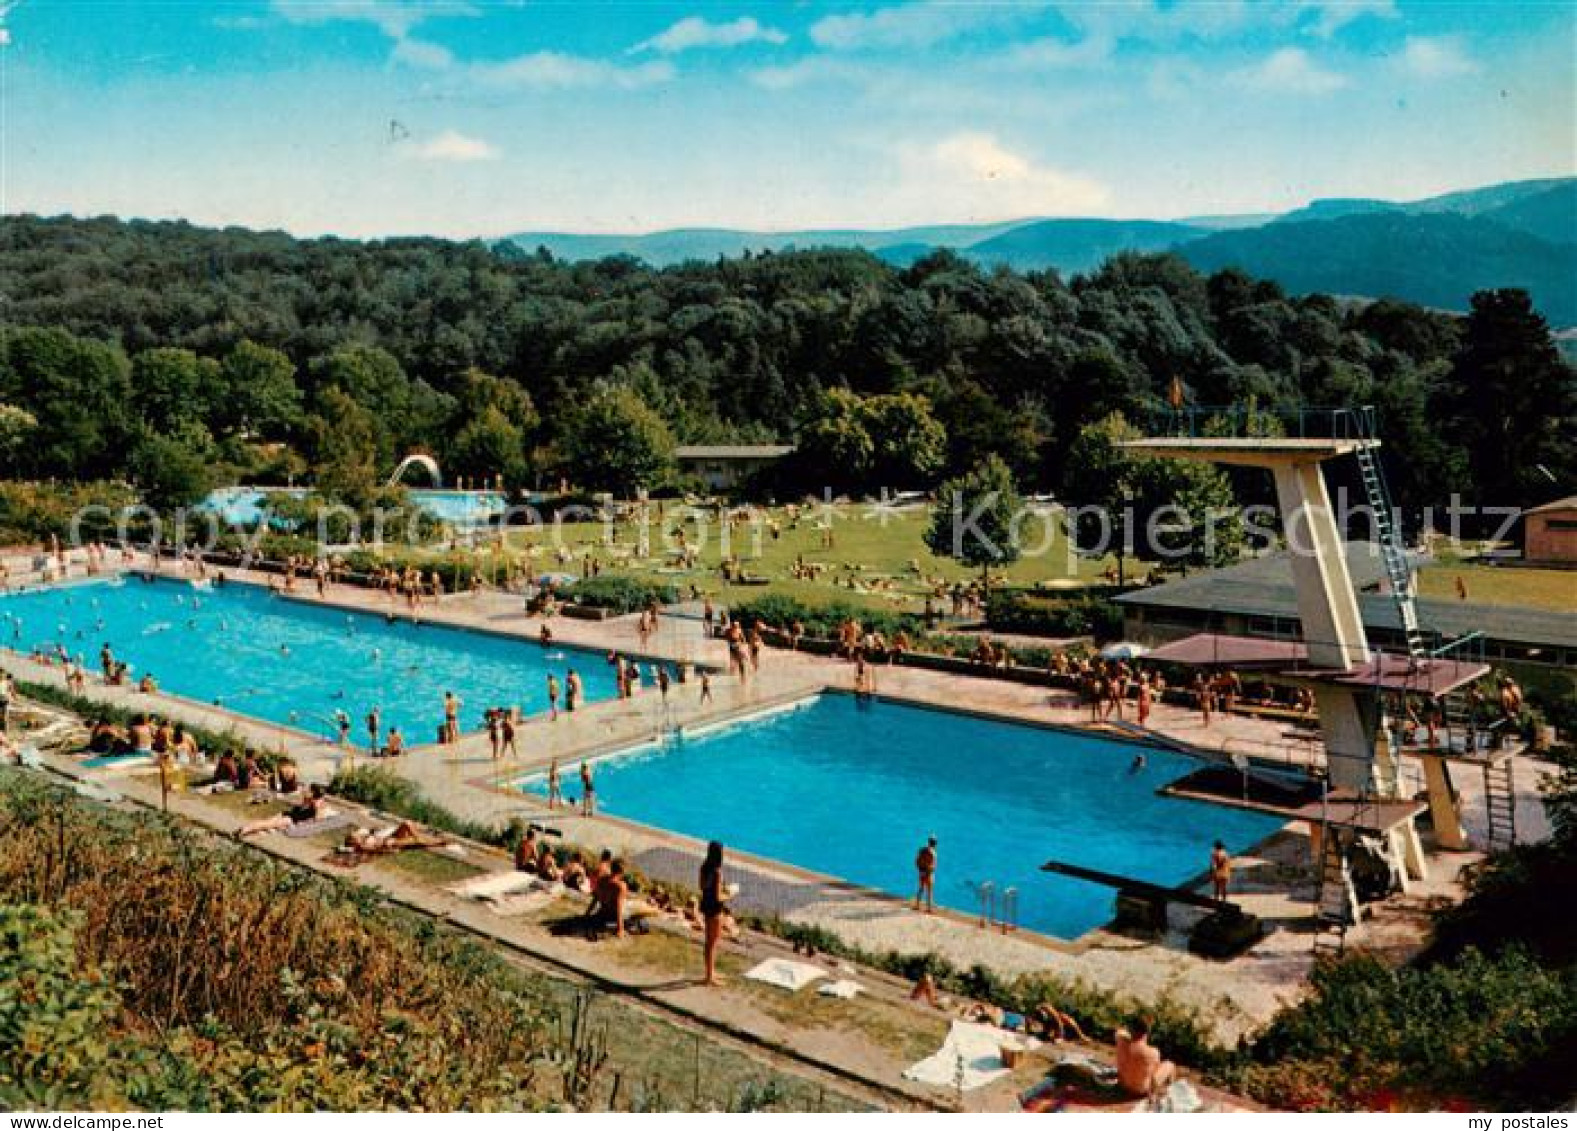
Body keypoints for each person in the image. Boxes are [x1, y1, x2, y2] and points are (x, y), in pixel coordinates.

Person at [1115, 1016, 1177, 1099]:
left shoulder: (1121, 1041)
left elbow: (1120, 1031)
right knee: (1170, 1065)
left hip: (1123, 1084)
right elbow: (1154, 1078)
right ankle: (1169, 1093)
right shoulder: (1153, 1052)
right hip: (1141, 1091)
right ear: (1147, 1032)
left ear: (1130, 1030)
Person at [239, 783, 330, 837]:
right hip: (289, 816)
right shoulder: (308, 799)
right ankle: (246, 828)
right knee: (268, 822)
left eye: (309, 790)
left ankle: (246, 828)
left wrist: (317, 807)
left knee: (268, 823)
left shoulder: (316, 804)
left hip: (290, 818)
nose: (306, 790)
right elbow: (303, 808)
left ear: (313, 793)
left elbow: (318, 820)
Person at [699, 840, 729, 986]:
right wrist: (729, 894)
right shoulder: (717, 872)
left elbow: (701, 886)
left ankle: (710, 973)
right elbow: (718, 897)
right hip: (715, 909)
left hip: (706, 905)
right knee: (712, 943)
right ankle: (709, 977)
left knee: (708, 942)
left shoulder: (704, 867)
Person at [587, 859, 628, 938]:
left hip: (602, 912)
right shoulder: (620, 885)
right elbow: (619, 908)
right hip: (613, 916)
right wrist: (620, 929)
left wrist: (587, 914)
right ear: (622, 871)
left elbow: (595, 899)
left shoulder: (601, 880)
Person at [913, 836, 937, 913]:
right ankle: (929, 908)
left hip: (922, 872)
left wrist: (920, 870)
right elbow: (933, 866)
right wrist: (930, 870)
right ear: (935, 844)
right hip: (929, 873)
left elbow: (916, 861)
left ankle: (917, 905)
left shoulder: (922, 850)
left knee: (921, 889)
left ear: (928, 842)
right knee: (929, 891)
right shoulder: (933, 853)